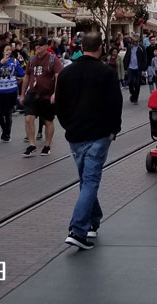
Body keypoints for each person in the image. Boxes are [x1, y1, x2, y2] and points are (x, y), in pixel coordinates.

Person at [55, 32, 123, 251]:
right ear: (100, 48)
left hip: (76, 135)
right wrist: (113, 130)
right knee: (90, 180)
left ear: (80, 47)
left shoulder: (66, 73)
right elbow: (115, 103)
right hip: (99, 135)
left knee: (86, 179)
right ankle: (78, 229)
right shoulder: (106, 73)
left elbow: (60, 106)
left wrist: (68, 126)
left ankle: (93, 220)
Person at [22, 39, 62, 157]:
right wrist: (23, 94)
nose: (37, 47)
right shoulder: (32, 59)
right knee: (29, 119)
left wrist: (55, 93)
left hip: (47, 96)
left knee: (48, 121)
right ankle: (32, 145)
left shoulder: (52, 59)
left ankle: (47, 146)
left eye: (40, 45)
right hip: (33, 94)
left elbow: (57, 77)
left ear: (46, 46)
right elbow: (27, 76)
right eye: (35, 45)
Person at [0, 44, 25, 142]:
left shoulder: (14, 61)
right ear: (2, 51)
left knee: (7, 112)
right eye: (7, 50)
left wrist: (20, 79)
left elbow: (22, 73)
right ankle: (4, 128)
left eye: (10, 50)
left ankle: (7, 133)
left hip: (11, 90)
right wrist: (0, 63)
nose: (9, 51)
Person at [125, 36, 147, 105]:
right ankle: (132, 94)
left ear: (139, 41)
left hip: (138, 68)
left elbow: (145, 58)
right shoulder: (130, 48)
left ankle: (135, 98)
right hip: (131, 67)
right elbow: (127, 56)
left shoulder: (141, 48)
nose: (135, 43)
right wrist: (125, 67)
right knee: (130, 82)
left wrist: (144, 69)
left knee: (137, 83)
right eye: (134, 41)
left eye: (136, 41)